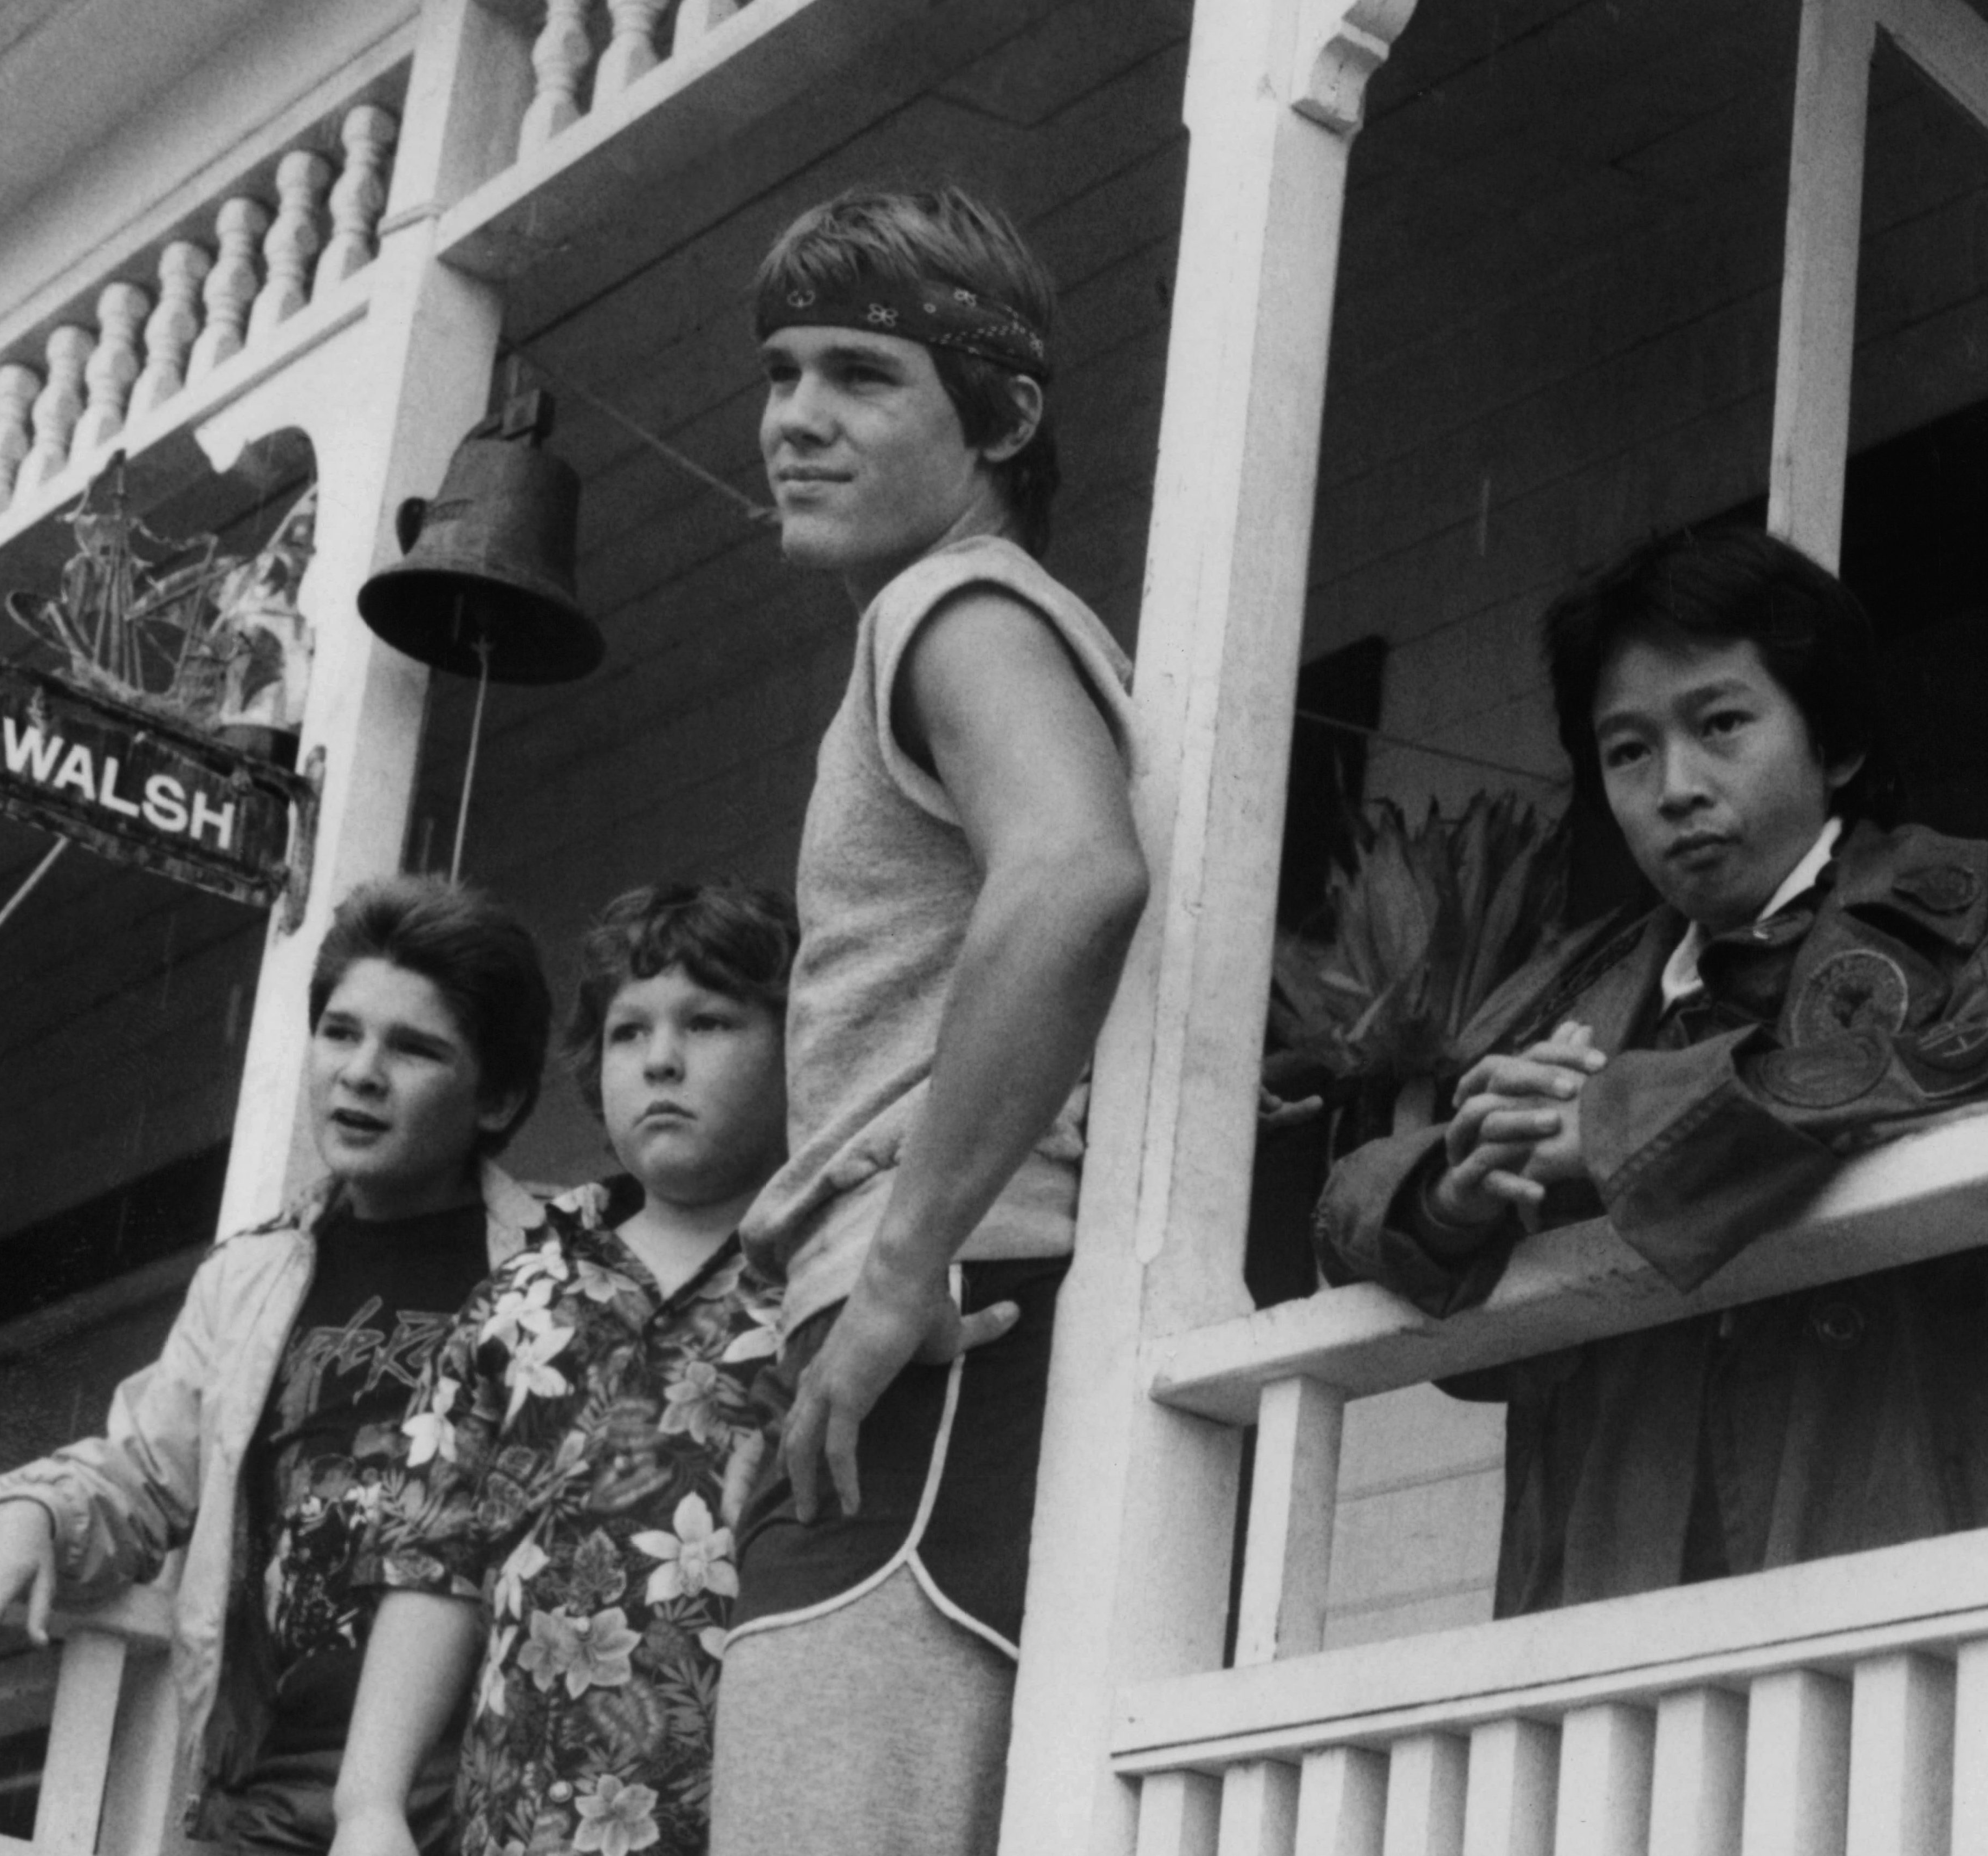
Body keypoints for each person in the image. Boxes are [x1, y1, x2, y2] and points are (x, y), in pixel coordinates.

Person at [1316, 526, 1988, 1615]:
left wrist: (1621, 1124)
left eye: (1720, 726)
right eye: (1626, 751)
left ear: (1833, 742)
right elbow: (1359, 1215)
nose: (1675, 787)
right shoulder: (1564, 992)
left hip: (1908, 1541)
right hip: (1612, 1579)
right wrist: (1453, 1191)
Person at [716, 184, 1149, 1853]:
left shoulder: (950, 607)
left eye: (859, 374)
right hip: (929, 1315)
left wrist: (898, 1261)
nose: (795, 420)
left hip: (943, 1311)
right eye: (779, 372)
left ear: (1003, 414)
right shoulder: (947, 623)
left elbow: (1073, 872)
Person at [0, 876, 553, 1854]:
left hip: (496, 1788)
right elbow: (145, 1468)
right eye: (341, 1032)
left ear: (499, 1095)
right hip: (273, 1791)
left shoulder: (561, 1267)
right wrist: (31, 1508)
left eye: (415, 1048)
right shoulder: (253, 1275)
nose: (362, 1072)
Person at [330, 882, 796, 1856]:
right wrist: (368, 1803)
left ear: (802, 1041)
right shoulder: (522, 1297)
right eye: (629, 1032)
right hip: (520, 1827)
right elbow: (433, 1559)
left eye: (708, 1021)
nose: (662, 1057)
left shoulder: (822, 1284)